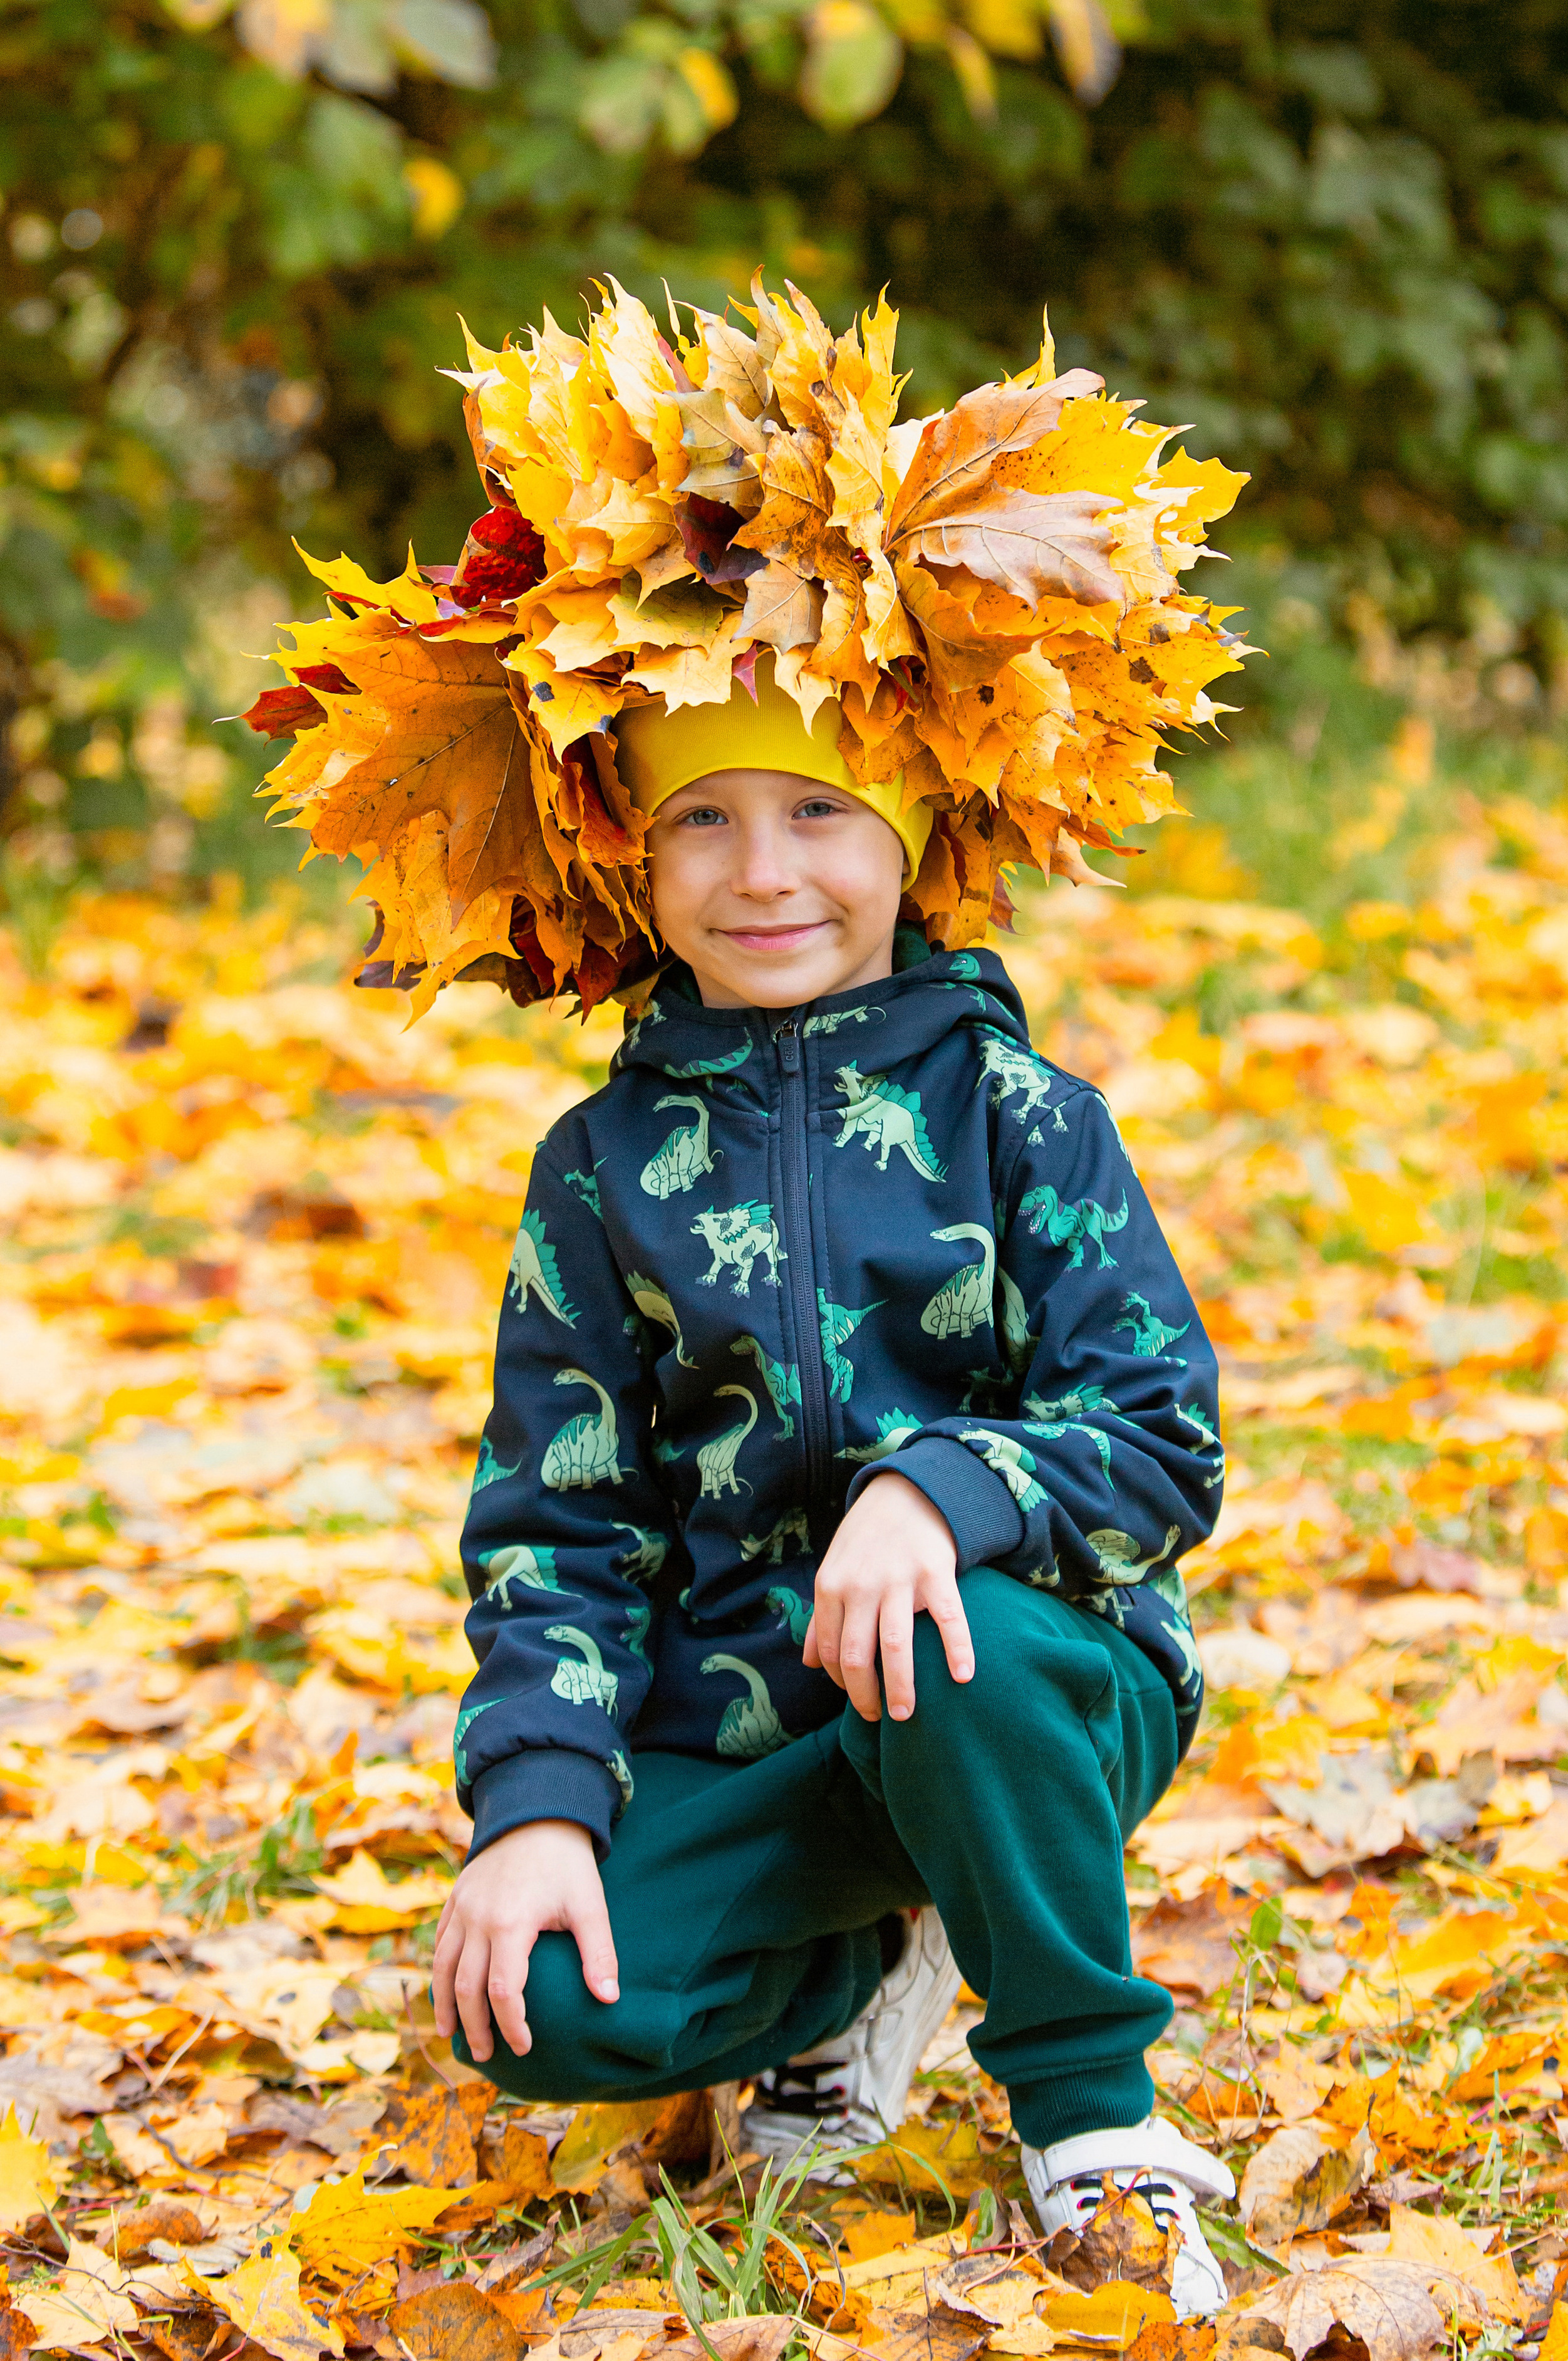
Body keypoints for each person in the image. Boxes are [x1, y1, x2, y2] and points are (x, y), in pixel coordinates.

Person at [432, 661, 1235, 2314]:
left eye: (820, 812)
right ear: (631, 862)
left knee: (967, 1650)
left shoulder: (1022, 1119)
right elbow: (560, 1523)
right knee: (542, 2003)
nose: (765, 870)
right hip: (754, 1740)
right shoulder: (597, 1172)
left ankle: (1093, 2116)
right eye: (702, 821)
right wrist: (534, 1803)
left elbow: (1162, 1433)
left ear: (913, 834)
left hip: (1031, 1687)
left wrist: (947, 1488)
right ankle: (871, 1954)